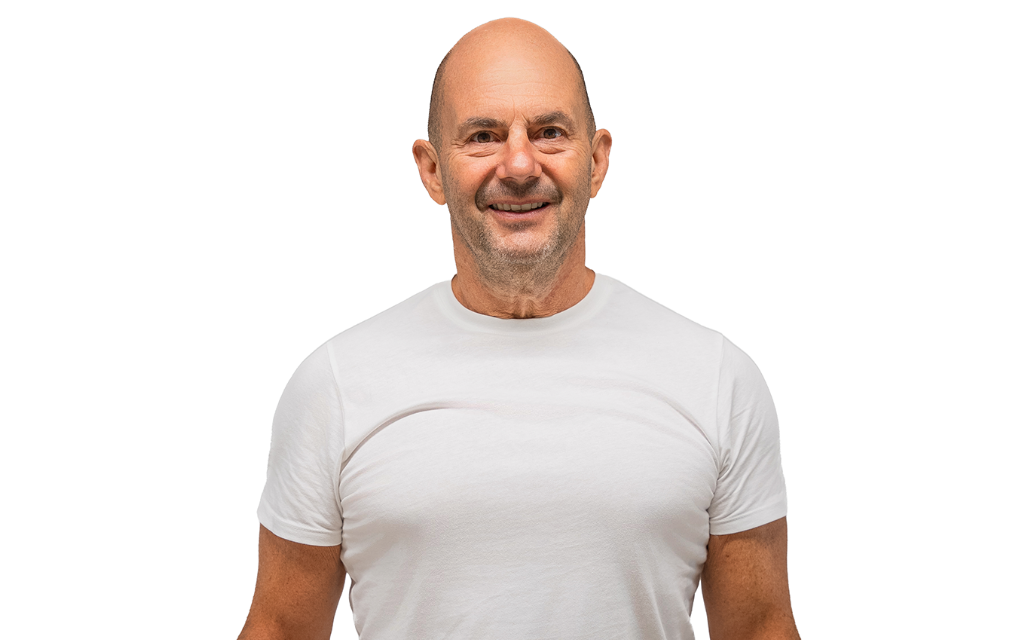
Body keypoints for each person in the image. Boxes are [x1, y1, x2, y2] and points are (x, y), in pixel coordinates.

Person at [239, 17, 799, 640]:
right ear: (431, 170)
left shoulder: (716, 379)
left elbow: (761, 629)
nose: (520, 163)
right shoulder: (335, 386)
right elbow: (279, 629)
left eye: (549, 132)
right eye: (482, 136)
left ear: (596, 161)